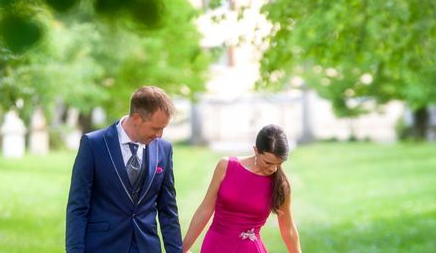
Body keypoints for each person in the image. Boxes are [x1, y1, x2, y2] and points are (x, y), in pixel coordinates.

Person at [66, 86, 183, 253]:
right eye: (156, 128)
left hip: (146, 247)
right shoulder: (93, 144)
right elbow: (78, 206)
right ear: (136, 119)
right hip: (103, 246)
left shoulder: (163, 148)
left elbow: (168, 208)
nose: (160, 135)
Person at [182, 124, 302, 253]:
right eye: (268, 162)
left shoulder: (280, 186)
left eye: (279, 164)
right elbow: (205, 210)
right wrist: (182, 249)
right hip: (216, 245)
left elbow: (288, 228)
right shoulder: (226, 166)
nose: (273, 169)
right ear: (256, 150)